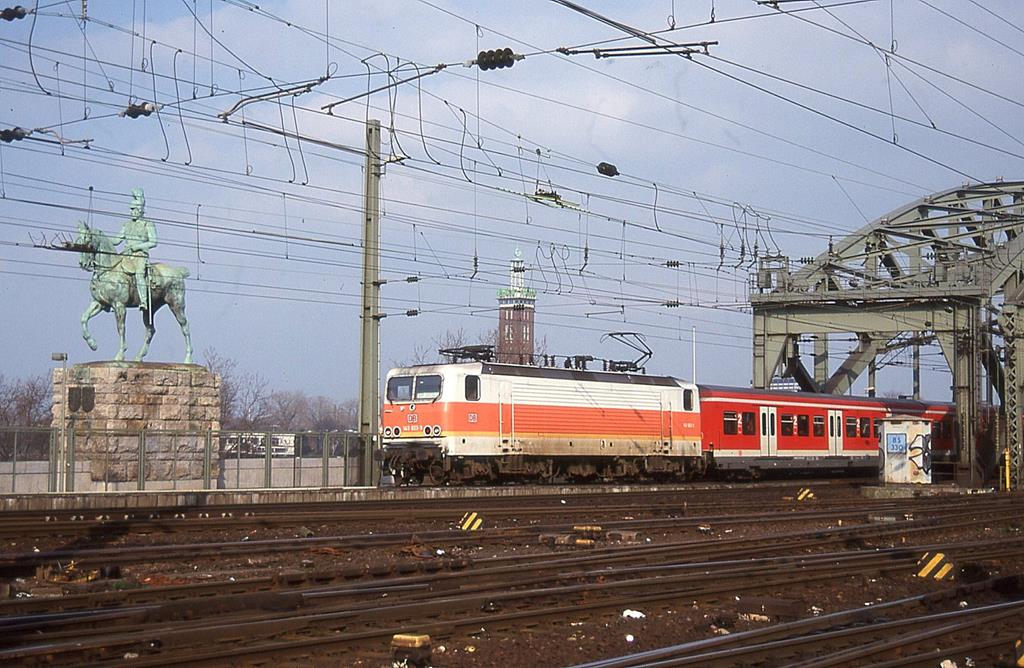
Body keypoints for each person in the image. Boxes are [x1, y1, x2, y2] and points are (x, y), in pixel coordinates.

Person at [113, 187, 157, 310]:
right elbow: (117, 240)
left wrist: (137, 247)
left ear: (139, 210)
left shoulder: (147, 224)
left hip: (140, 255)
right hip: (126, 255)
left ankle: (143, 301)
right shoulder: (127, 224)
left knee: (139, 274)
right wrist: (101, 238)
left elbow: (153, 241)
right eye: (131, 209)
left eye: (133, 209)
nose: (131, 211)